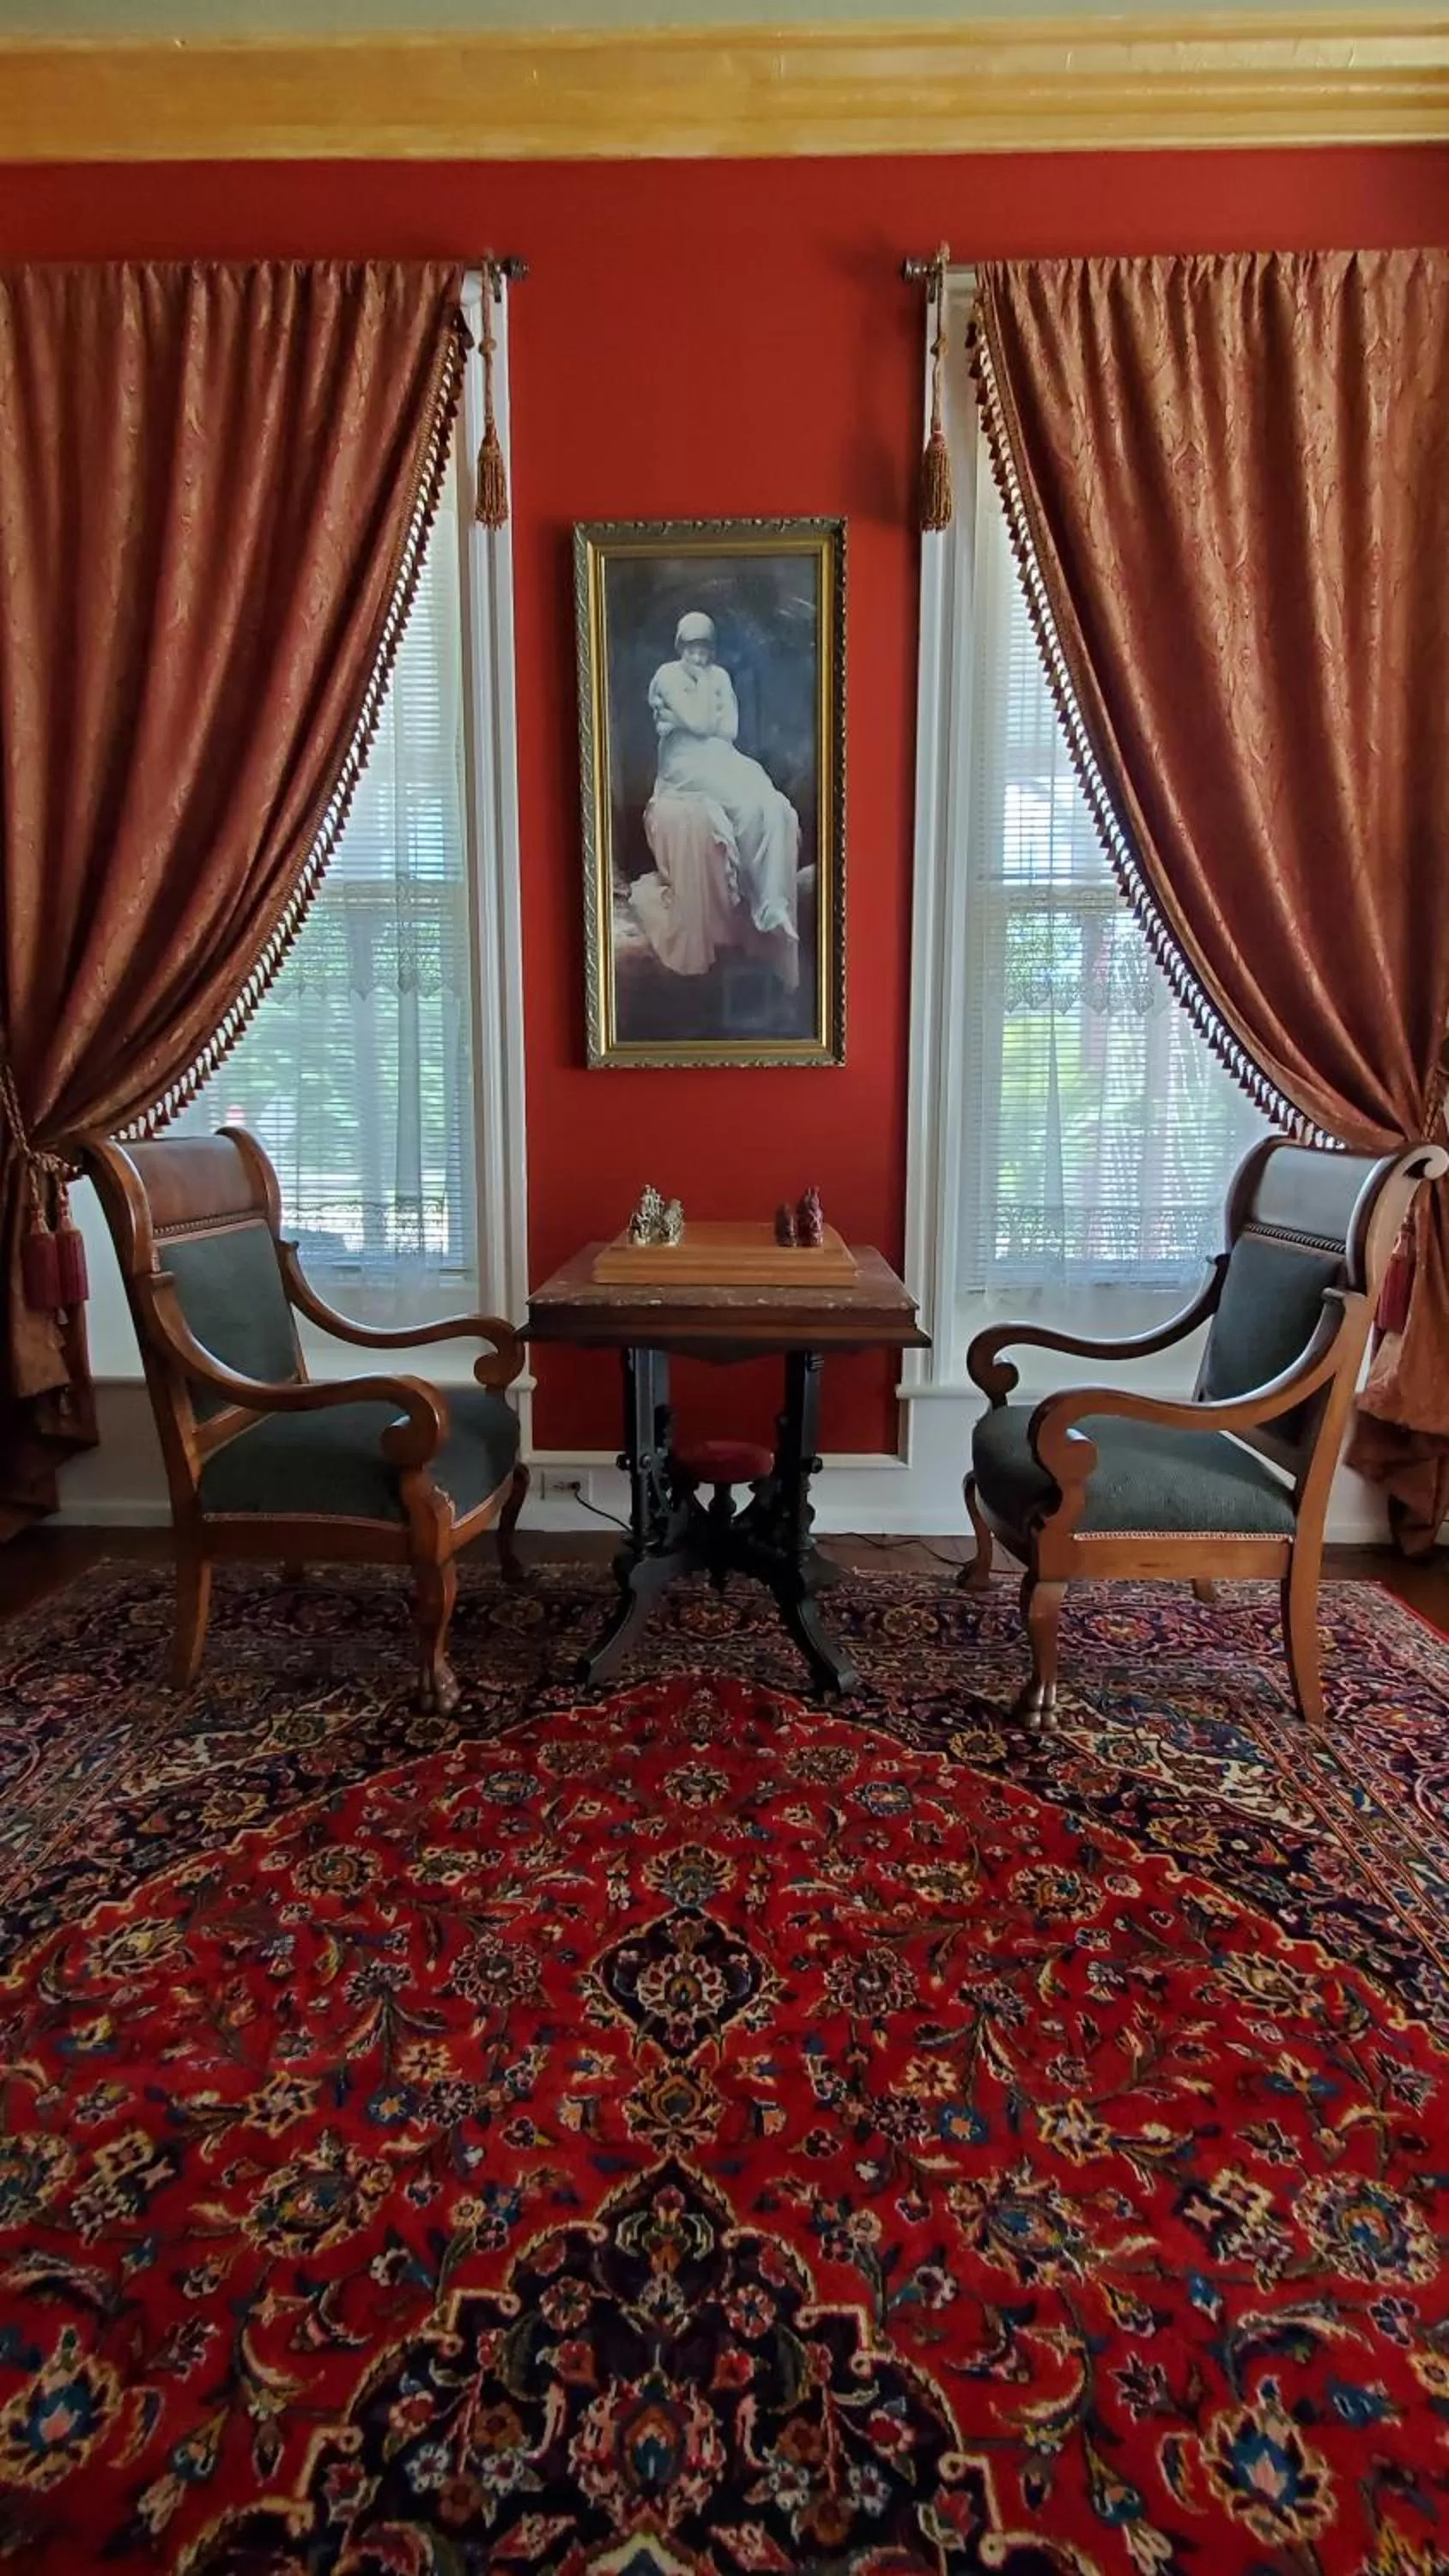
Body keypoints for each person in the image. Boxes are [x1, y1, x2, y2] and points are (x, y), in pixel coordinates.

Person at [631, 611, 801, 990]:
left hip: (719, 755)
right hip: (683, 764)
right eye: (691, 645)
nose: (698, 654)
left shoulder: (720, 676)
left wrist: (689, 715)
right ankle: (757, 902)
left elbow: (728, 729)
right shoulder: (667, 675)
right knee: (742, 797)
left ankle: (771, 904)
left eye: (704, 646)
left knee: (768, 803)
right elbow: (702, 723)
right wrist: (694, 713)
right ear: (680, 646)